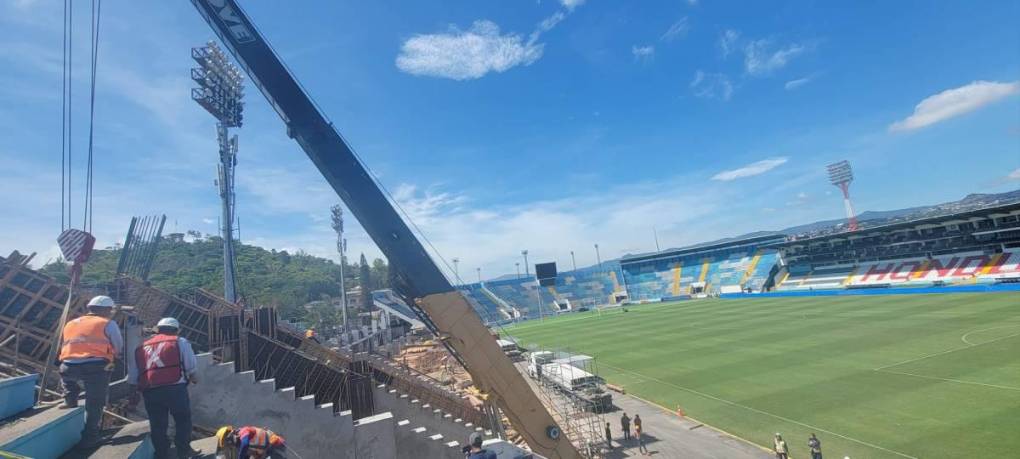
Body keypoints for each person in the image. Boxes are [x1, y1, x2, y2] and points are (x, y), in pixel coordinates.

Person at [58, 295, 123, 448]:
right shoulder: (107, 323)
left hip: (68, 365)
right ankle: (90, 437)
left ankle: (69, 400)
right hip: (96, 367)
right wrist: (114, 357)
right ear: (106, 310)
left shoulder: (71, 323)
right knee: (95, 402)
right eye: (110, 310)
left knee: (69, 382)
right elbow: (118, 346)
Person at [130, 317, 200, 459]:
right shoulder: (180, 342)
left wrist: (133, 392)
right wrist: (194, 379)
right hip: (175, 389)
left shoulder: (141, 346)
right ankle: (183, 450)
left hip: (151, 391)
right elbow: (191, 367)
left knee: (157, 424)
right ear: (176, 330)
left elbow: (133, 374)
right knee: (182, 420)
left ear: (158, 329)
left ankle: (161, 453)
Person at [217, 425, 287, 459]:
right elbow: (247, 453)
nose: (230, 445)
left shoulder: (243, 431)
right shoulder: (240, 445)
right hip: (268, 451)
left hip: (275, 444)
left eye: (227, 443)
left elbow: (245, 444)